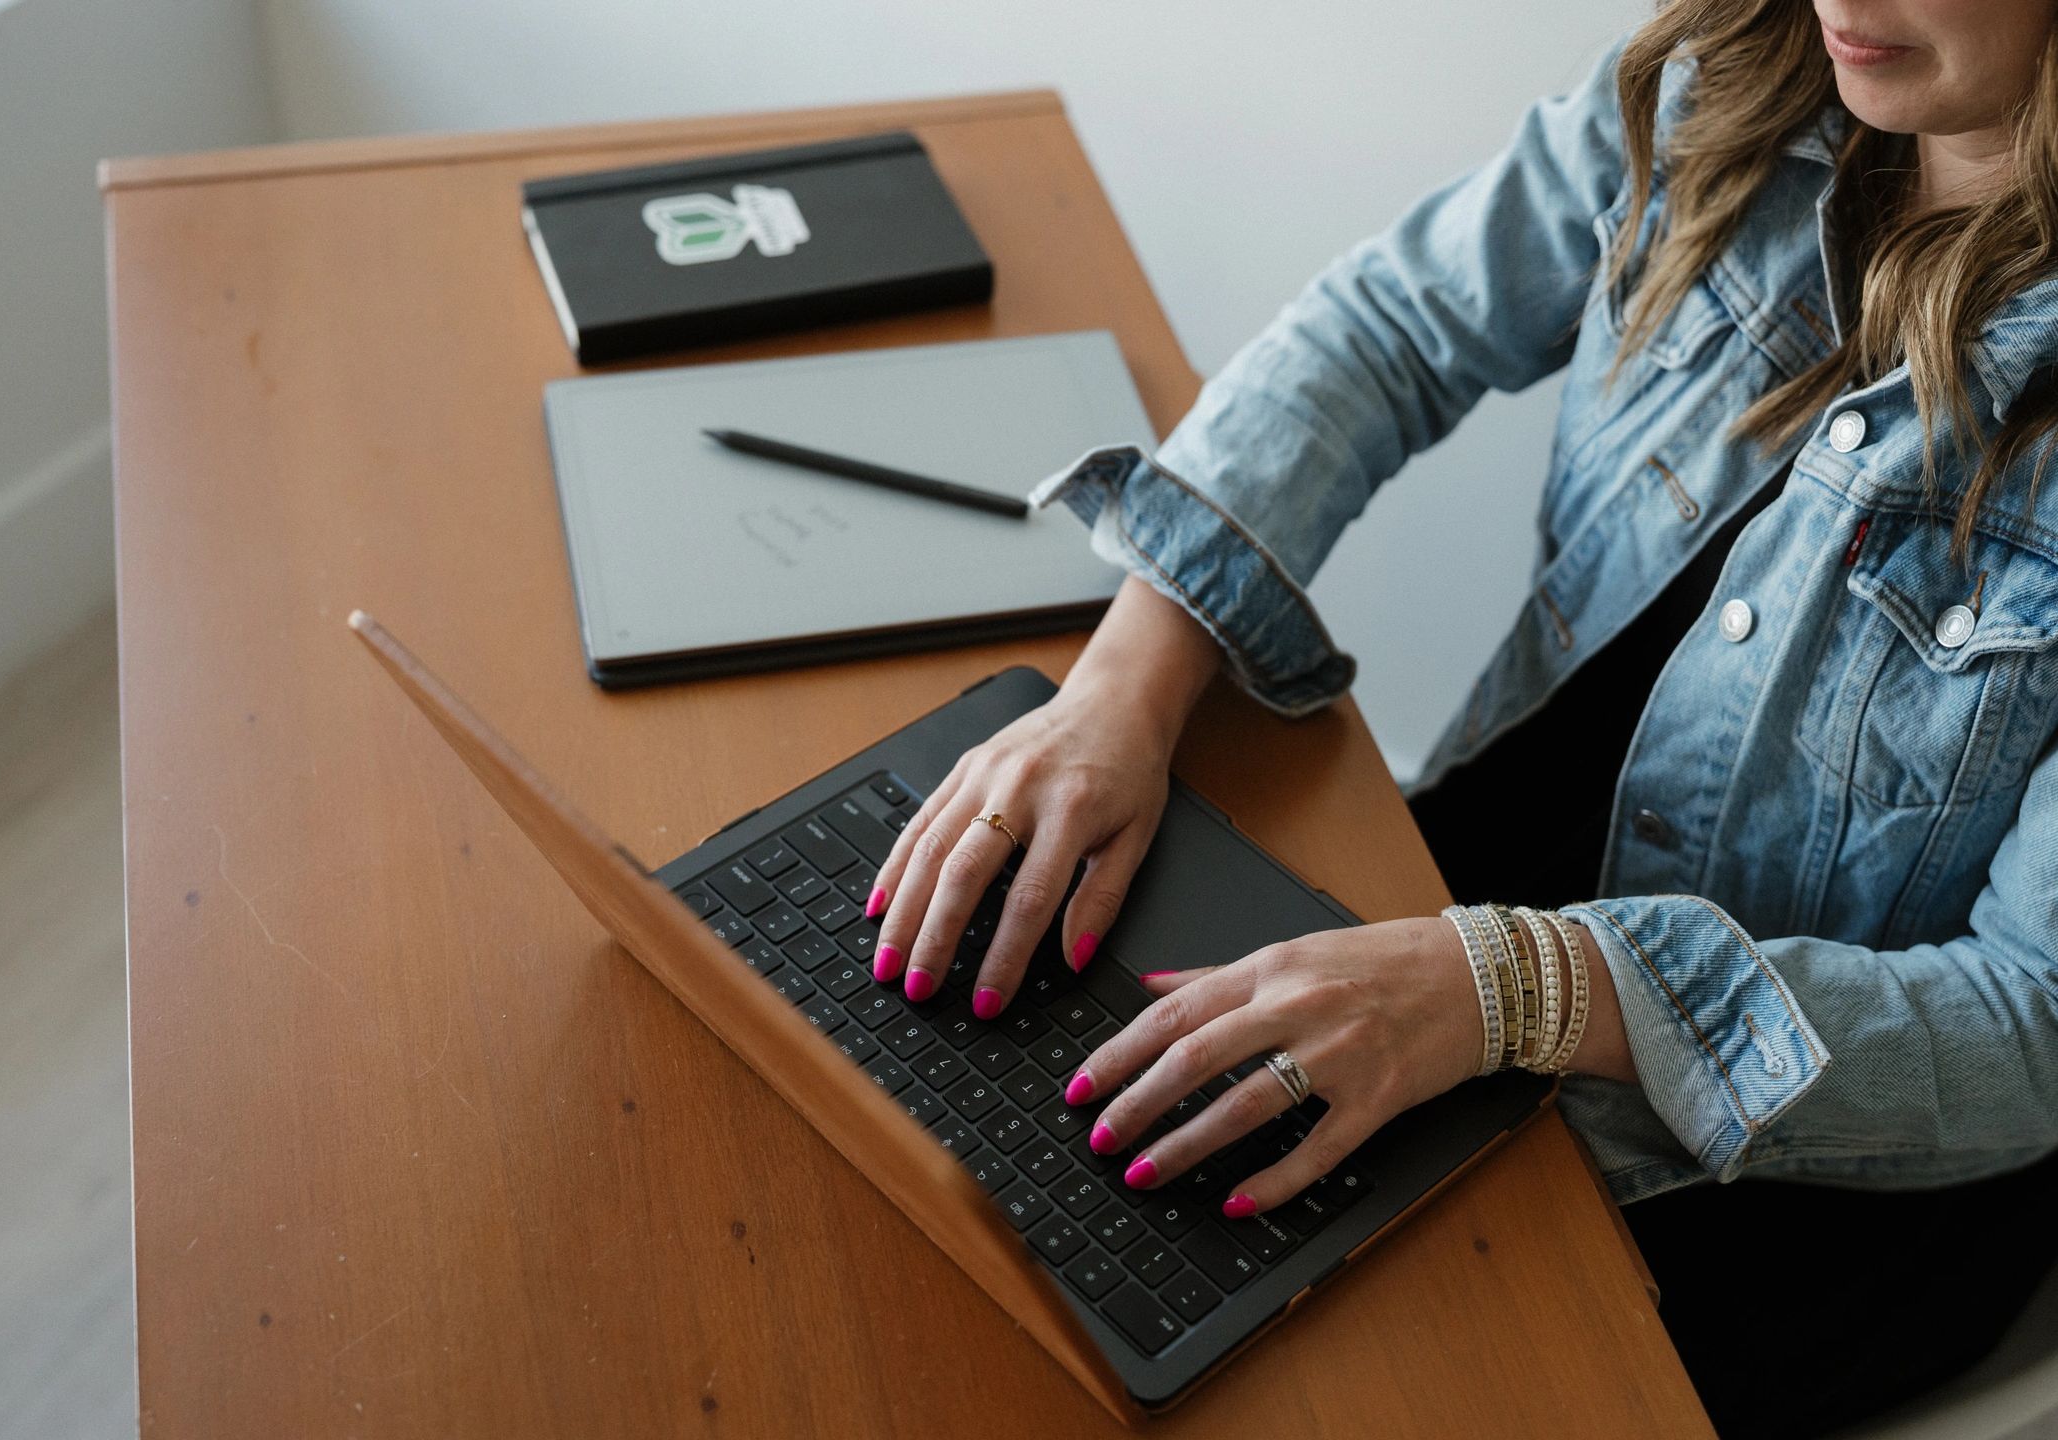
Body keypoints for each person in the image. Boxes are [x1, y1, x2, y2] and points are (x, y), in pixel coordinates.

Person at [858, 3, 2058, 1435]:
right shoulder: (1731, 86)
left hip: (1794, 1184)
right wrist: (1123, 686)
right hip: (1451, 932)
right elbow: (1392, 329)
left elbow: (2029, 1025)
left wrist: (1523, 988)